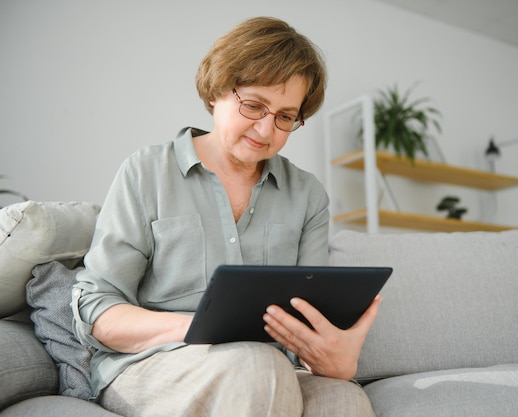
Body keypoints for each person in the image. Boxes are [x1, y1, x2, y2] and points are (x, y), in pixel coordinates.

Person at [71, 16, 382, 417]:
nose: (266, 129)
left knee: (344, 397)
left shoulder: (308, 196)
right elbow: (98, 310)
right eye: (254, 105)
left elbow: (309, 320)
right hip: (152, 363)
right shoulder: (146, 171)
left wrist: (334, 357)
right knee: (258, 365)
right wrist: (203, 329)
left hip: (266, 368)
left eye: (286, 117)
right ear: (218, 89)